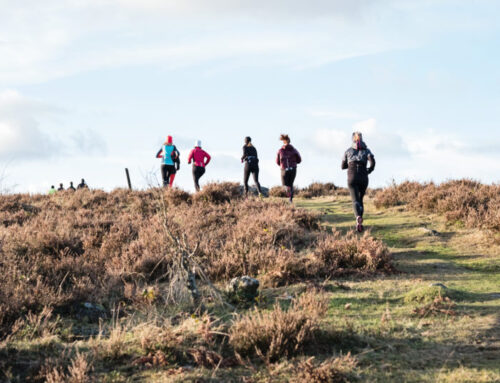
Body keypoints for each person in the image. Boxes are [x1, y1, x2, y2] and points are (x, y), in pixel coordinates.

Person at [341, 131, 375, 233]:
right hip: (364, 176)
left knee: (355, 200)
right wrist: (369, 170)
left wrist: (350, 164)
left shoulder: (348, 151)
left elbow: (342, 166)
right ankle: (360, 218)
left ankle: (358, 218)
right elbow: (372, 162)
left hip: (352, 176)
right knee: (360, 199)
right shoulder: (367, 150)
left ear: (353, 139)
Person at [276, 134, 301, 203]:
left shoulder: (280, 151)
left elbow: (277, 161)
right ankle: (290, 200)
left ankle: (288, 192)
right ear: (289, 142)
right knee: (291, 184)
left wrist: (282, 165)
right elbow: (299, 160)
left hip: (284, 169)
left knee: (284, 185)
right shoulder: (294, 150)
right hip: (293, 169)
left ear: (283, 142)